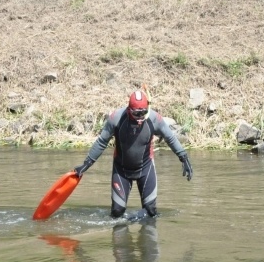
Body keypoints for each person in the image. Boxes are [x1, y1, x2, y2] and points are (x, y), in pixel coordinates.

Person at [73, 88, 192, 218]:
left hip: (146, 169)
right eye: (136, 114)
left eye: (143, 113)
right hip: (121, 171)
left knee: (151, 212)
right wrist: (86, 164)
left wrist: (183, 157)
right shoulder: (116, 118)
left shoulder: (154, 118)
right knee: (117, 213)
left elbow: (170, 138)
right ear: (129, 110)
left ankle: (140, 227)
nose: (140, 119)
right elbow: (102, 142)